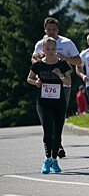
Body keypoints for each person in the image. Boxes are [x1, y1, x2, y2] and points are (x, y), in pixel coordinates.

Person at [32, 17, 81, 158]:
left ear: (58, 30)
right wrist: (40, 59)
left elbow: (78, 61)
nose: (51, 32)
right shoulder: (40, 44)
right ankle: (56, 146)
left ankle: (57, 142)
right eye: (49, 29)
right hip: (46, 85)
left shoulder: (66, 43)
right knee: (48, 116)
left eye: (54, 29)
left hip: (63, 84)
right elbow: (34, 62)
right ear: (45, 29)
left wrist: (63, 58)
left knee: (59, 114)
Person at [27, 36, 72, 173]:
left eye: (53, 48)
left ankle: (54, 160)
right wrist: (36, 82)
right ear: (43, 49)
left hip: (59, 102)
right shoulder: (38, 65)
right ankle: (47, 160)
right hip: (43, 102)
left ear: (56, 49)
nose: (51, 51)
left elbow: (69, 82)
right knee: (48, 129)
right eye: (48, 48)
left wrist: (60, 75)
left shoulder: (62, 64)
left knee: (57, 131)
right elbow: (29, 78)